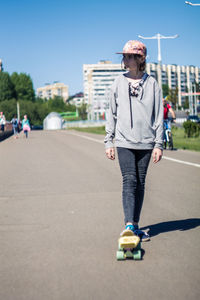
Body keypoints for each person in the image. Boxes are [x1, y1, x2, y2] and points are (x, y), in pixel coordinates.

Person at [104, 40, 163, 242]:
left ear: (140, 59)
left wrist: (158, 144)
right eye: (124, 56)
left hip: (146, 142)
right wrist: (108, 141)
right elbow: (110, 113)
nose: (124, 59)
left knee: (140, 183)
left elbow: (158, 117)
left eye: (129, 56)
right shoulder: (117, 83)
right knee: (129, 180)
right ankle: (128, 224)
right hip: (123, 141)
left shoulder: (152, 84)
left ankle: (136, 225)